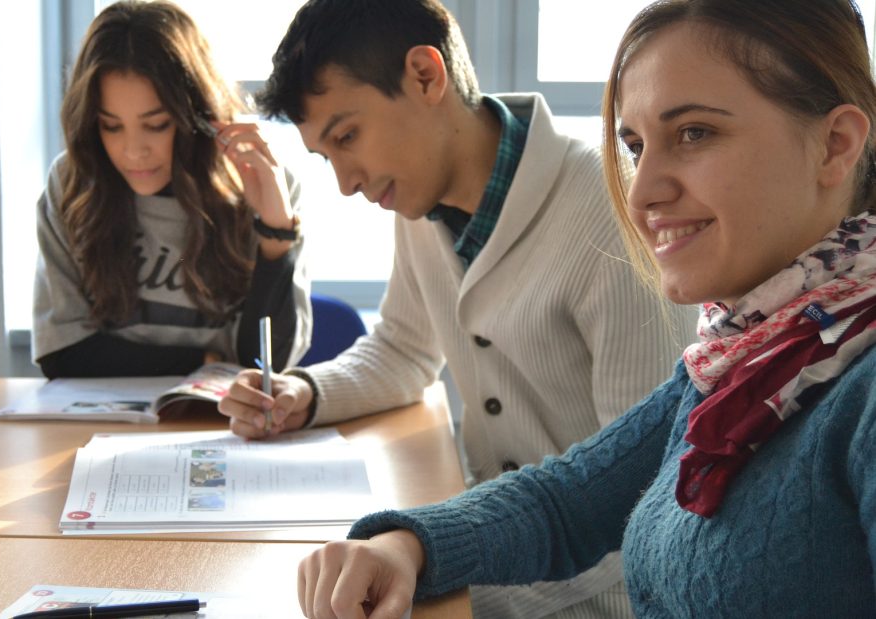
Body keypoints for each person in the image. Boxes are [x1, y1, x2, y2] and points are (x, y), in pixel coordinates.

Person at [294, 0, 876, 617]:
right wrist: (407, 544)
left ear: (835, 146)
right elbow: (568, 502)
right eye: (633, 146)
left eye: (695, 133)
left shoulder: (852, 392)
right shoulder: (746, 352)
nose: (643, 192)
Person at [217, 0, 690, 616]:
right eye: (326, 157)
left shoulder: (607, 212)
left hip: (598, 592)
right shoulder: (419, 199)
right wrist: (303, 394)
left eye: (347, 137)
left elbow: (638, 492)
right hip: (494, 548)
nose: (345, 183)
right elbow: (404, 351)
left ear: (425, 76)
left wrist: (447, 571)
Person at [32, 0, 312, 378]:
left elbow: (265, 366)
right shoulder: (73, 184)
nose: (133, 151)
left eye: (157, 124)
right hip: (101, 426)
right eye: (111, 126)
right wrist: (203, 363)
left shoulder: (259, 187)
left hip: (222, 426)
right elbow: (63, 354)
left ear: (196, 118)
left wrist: (276, 234)